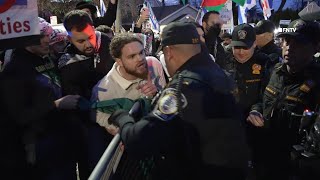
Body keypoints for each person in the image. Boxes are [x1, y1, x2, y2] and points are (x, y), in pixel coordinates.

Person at [108, 22, 249, 180]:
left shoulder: (182, 87)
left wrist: (123, 118)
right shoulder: (219, 73)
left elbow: (139, 140)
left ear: (168, 52)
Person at [0, 18, 80, 180]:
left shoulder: (46, 58)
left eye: (47, 34)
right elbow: (18, 116)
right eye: (40, 36)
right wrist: (55, 105)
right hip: (39, 145)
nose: (46, 39)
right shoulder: (15, 69)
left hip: (62, 139)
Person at [247, 20, 320, 180]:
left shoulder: (317, 83)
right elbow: (261, 100)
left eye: (298, 43)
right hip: (264, 161)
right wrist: (256, 111)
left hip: (294, 170)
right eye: (286, 41)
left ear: (316, 47)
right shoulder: (275, 72)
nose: (289, 47)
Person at [58, 10, 115, 178]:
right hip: (90, 127)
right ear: (69, 39)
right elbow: (77, 101)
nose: (88, 44)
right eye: (80, 41)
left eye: (90, 37)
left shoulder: (109, 44)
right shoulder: (67, 62)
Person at [91, 33, 166, 135]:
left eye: (141, 52)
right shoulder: (103, 92)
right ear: (119, 61)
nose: (140, 59)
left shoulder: (153, 64)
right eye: (132, 56)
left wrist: (157, 94)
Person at [228, 24, 271, 180]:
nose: (240, 52)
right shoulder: (223, 60)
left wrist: (257, 109)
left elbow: (267, 94)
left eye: (245, 48)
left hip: (255, 127)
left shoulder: (265, 63)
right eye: (236, 47)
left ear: (254, 44)